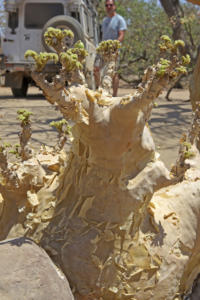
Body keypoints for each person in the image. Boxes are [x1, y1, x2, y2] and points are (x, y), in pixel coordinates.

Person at [94, 0, 127, 96]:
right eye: (107, 5)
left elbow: (121, 35)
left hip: (114, 50)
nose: (108, 7)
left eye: (110, 5)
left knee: (114, 73)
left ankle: (114, 95)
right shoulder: (104, 20)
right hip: (103, 49)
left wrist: (114, 46)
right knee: (96, 69)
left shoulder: (120, 19)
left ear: (114, 6)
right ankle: (100, 90)